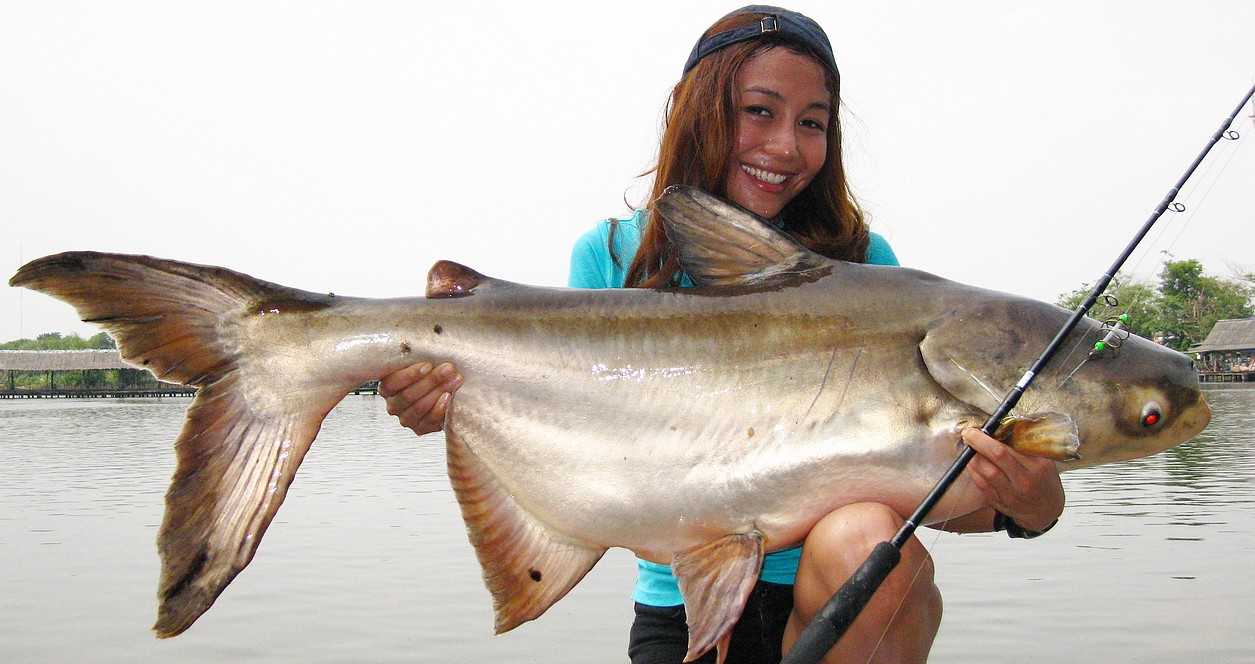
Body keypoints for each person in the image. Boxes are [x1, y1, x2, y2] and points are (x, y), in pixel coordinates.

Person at [379, 6, 1065, 663]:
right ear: (695, 106)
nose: (786, 146)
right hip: (680, 604)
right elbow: (580, 449)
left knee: (870, 542)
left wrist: (1028, 507)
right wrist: (454, 407)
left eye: (813, 122)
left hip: (835, 601)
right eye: (758, 111)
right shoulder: (609, 257)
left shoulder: (862, 267)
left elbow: (915, 480)